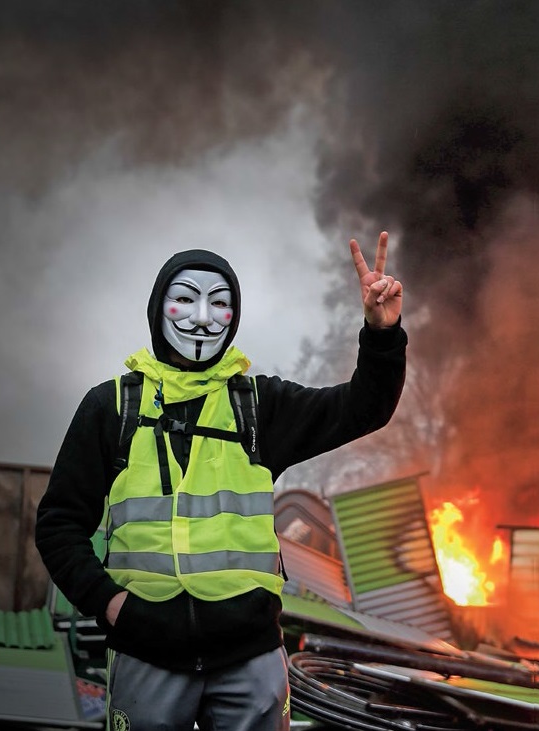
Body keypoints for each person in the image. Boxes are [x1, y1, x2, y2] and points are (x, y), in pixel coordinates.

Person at [34, 231, 406, 731]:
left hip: (249, 657)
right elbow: (58, 525)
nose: (202, 317)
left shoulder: (258, 407)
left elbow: (363, 408)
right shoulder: (111, 407)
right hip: (146, 653)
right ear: (158, 308)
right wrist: (112, 605)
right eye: (186, 299)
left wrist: (382, 334)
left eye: (219, 303)